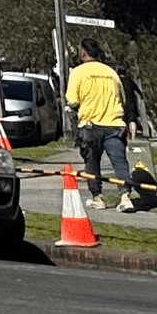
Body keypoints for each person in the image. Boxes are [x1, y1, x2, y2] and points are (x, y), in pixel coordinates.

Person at [67, 40, 128, 201]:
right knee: (119, 161)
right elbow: (122, 98)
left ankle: (97, 197)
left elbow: (72, 100)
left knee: (91, 162)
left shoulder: (78, 72)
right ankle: (126, 197)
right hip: (114, 124)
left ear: (82, 53)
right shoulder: (110, 72)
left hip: (90, 125)